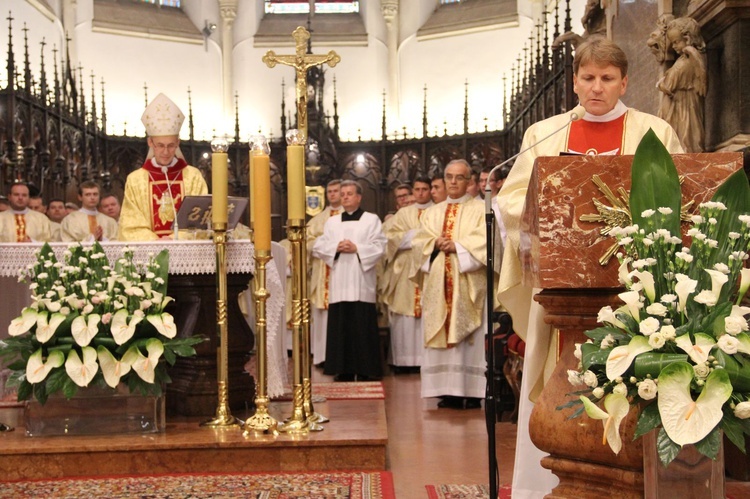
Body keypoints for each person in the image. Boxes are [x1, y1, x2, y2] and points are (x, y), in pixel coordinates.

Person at [496, 36, 683, 499]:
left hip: (634, 285)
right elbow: (512, 199)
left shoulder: (654, 131)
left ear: (624, 83)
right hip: (563, 285)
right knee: (557, 373)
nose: (596, 88)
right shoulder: (544, 133)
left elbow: (681, 194)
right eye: (588, 78)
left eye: (607, 79)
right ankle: (544, 485)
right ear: (575, 82)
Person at [410, 160, 490, 409]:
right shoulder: (433, 212)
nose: (453, 182)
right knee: (440, 329)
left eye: (459, 177)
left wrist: (458, 246)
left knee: (470, 339)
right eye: (449, 177)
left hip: (467, 281)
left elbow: (489, 241)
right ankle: (445, 391)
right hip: (438, 281)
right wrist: (433, 244)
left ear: (470, 182)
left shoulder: (481, 209)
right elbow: (418, 242)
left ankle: (472, 391)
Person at [312, 180, 386, 382]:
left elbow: (379, 245)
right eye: (342, 194)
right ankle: (342, 369)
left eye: (349, 194)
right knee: (340, 325)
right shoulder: (332, 222)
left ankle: (365, 369)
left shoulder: (371, 220)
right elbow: (320, 245)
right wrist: (336, 246)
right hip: (340, 281)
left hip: (362, 280)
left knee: (362, 324)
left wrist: (357, 248)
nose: (345, 197)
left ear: (359, 197)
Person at [118, 93, 208, 241]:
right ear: (150, 143)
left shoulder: (192, 177)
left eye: (171, 146)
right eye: (160, 145)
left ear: (178, 143)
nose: (165, 152)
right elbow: (130, 225)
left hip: (185, 251)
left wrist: (174, 238)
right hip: (149, 254)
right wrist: (156, 242)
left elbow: (201, 220)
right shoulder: (136, 180)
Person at [383, 177, 434, 373]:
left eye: (424, 189)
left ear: (430, 191)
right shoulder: (403, 213)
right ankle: (404, 362)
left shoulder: (437, 210)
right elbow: (390, 238)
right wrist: (415, 236)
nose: (420, 193)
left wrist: (419, 238)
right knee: (404, 314)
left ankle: (426, 361)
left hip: (428, 267)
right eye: (417, 189)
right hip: (404, 270)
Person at [657, 17, 707, 153]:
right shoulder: (684, 59)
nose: (673, 47)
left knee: (686, 135)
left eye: (676, 42)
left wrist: (661, 85)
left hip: (684, 105)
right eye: (672, 43)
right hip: (679, 104)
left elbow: (670, 84)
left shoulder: (689, 59)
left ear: (688, 38)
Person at [307, 179, 343, 367]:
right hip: (323, 272)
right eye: (330, 191)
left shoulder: (351, 216)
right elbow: (308, 243)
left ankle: (340, 356)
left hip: (343, 271)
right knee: (321, 315)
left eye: (336, 191)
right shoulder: (318, 220)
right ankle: (322, 356)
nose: (333, 194)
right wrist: (328, 246)